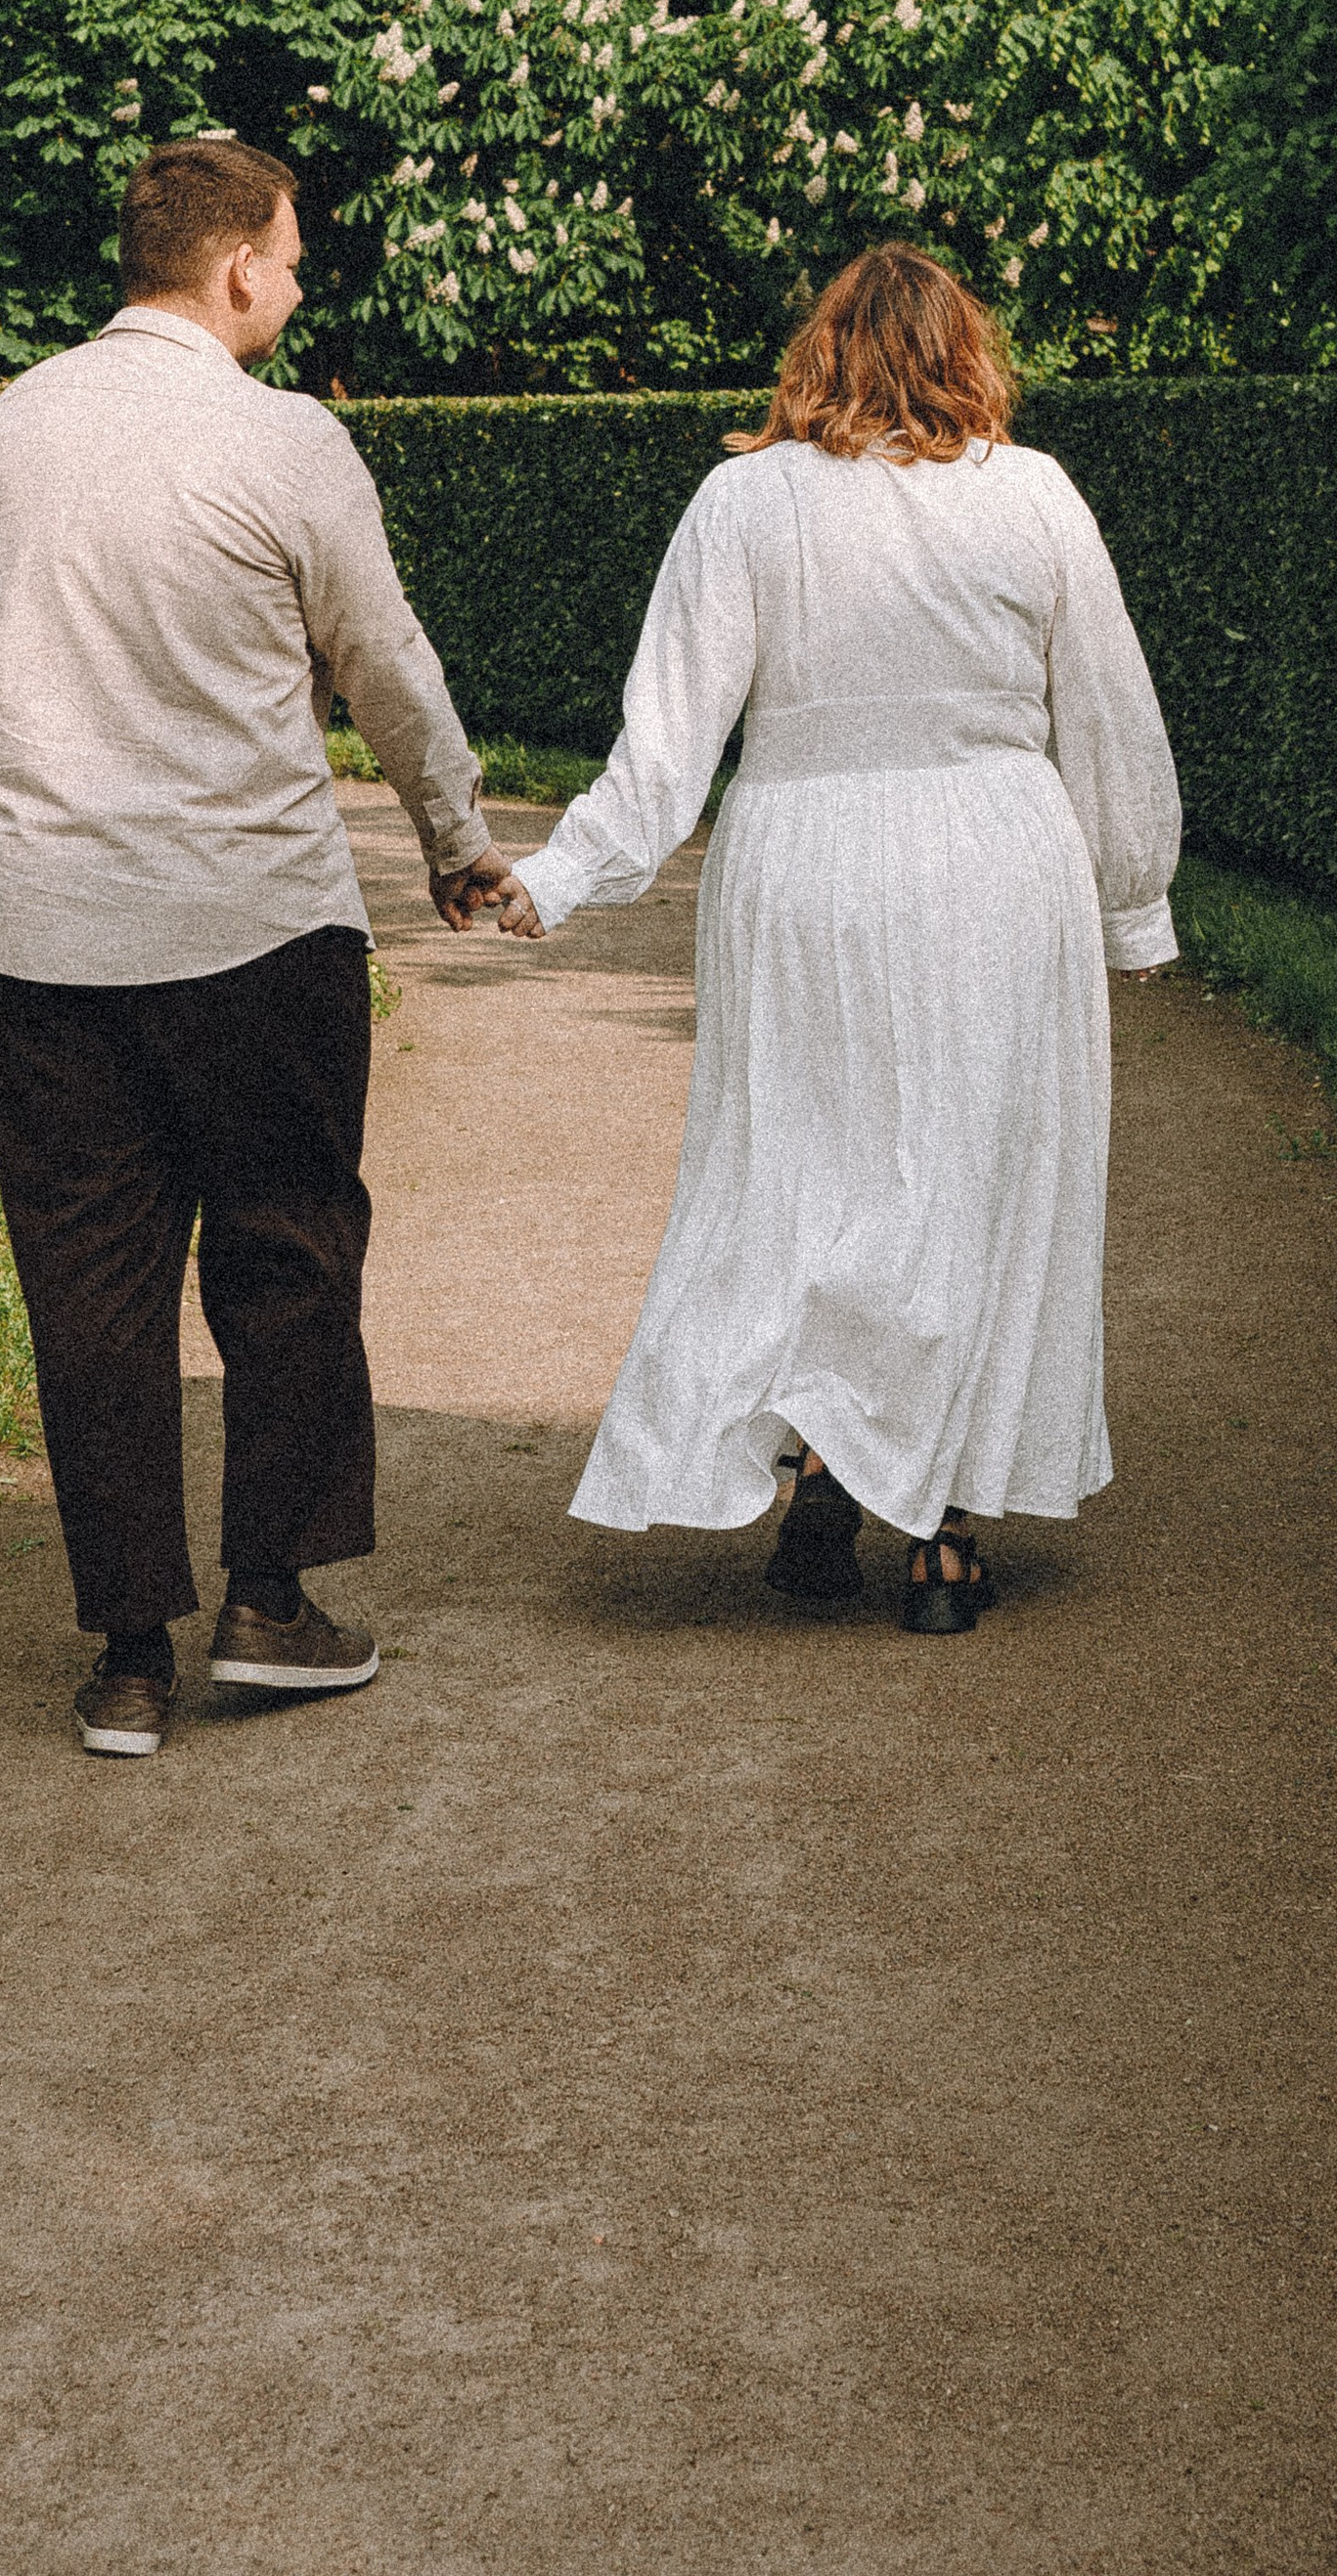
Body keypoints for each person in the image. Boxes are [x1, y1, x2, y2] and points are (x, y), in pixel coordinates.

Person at [495, 244, 1180, 1633]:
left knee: (801, 1171)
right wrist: (1130, 904)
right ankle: (941, 1528)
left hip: (805, 863)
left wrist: (559, 877)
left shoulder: (742, 504)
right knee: (975, 1180)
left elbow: (666, 742)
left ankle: (822, 1458)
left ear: (819, 356)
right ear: (967, 353)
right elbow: (1108, 717)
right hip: (996, 859)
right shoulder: (1032, 496)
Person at [0, 138, 513, 1756]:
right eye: (296, 254)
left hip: (48, 944)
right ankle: (270, 1601)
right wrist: (455, 840)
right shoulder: (287, 446)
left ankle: (128, 1654)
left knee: (90, 1289)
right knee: (288, 1250)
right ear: (236, 268)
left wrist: (24, 873)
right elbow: (384, 666)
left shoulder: (5, 433)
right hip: (257, 929)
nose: (304, 280)